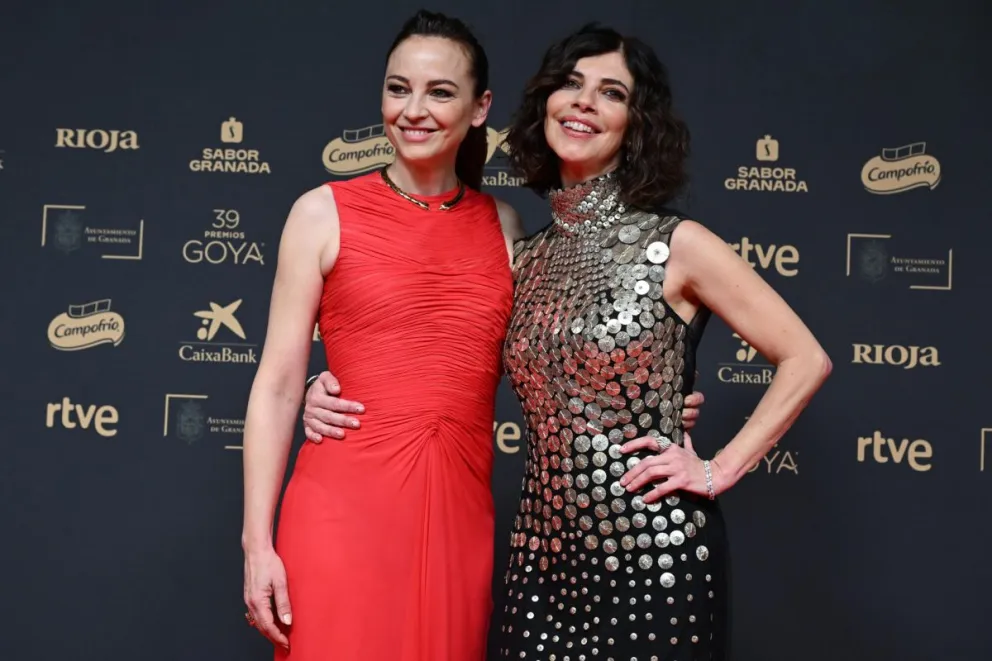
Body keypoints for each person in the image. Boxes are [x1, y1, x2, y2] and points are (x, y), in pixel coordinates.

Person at [304, 22, 832, 661]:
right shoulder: (522, 253)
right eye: (572, 83)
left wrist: (718, 469)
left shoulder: (677, 244)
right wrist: (324, 387)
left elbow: (804, 357)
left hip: (653, 556)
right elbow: (436, 345)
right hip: (540, 563)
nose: (584, 101)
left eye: (611, 92)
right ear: (545, 103)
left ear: (637, 123)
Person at [240, 10, 525, 661]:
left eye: (439, 91)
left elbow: (546, 368)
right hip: (340, 511)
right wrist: (258, 545)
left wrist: (638, 403)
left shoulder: (504, 227)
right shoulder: (320, 213)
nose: (413, 110)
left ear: (481, 107)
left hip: (458, 518)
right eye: (398, 88)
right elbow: (279, 385)